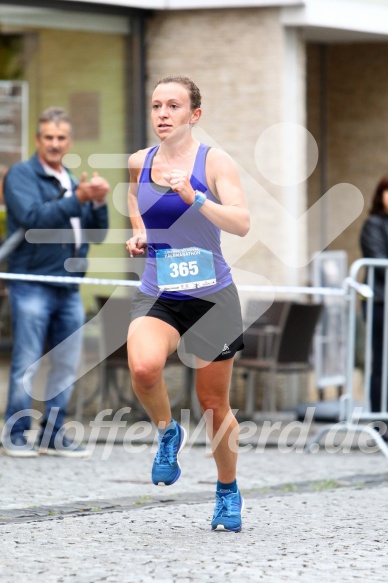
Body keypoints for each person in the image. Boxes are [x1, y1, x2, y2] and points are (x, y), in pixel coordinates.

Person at [126, 75, 250, 532]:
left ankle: (226, 490)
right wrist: (140, 232)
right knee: (142, 368)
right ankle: (166, 432)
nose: (162, 114)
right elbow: (137, 203)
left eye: (173, 106)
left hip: (211, 297)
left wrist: (194, 198)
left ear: (194, 115)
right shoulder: (140, 161)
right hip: (160, 292)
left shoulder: (215, 162)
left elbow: (241, 223)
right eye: (157, 105)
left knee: (214, 404)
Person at [1, 107, 110, 458]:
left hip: (69, 284)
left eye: (61, 138)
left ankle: (52, 433)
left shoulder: (71, 179)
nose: (54, 143)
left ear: (69, 142)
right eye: (48, 137)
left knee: (66, 362)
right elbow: (33, 220)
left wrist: (99, 201)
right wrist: (77, 198)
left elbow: (97, 234)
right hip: (32, 281)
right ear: (37, 140)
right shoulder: (21, 175)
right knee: (28, 359)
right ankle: (15, 432)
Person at [360, 176, 388, 435]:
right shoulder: (374, 224)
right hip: (381, 303)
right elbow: (379, 261)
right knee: (382, 361)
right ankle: (382, 425)